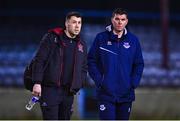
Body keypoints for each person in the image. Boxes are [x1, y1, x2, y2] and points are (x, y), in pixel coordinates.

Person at [88, 8, 144, 120]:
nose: (119, 22)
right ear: (112, 20)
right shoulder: (101, 38)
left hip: (126, 94)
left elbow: (139, 64)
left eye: (122, 19)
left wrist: (133, 83)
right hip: (106, 93)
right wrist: (100, 80)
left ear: (126, 21)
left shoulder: (133, 40)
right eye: (117, 19)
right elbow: (91, 61)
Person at [31, 11, 87, 120]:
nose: (77, 26)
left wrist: (79, 83)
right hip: (50, 90)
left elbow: (84, 67)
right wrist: (37, 82)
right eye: (74, 22)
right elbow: (39, 60)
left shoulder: (82, 44)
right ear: (67, 24)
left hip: (68, 92)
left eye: (79, 23)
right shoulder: (52, 38)